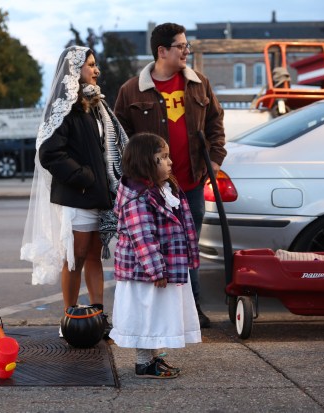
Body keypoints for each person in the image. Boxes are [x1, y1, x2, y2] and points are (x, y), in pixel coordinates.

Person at [113, 22, 226, 328]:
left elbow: (216, 123)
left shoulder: (199, 84)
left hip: (189, 184)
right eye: (181, 46)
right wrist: (135, 176)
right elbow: (118, 139)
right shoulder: (131, 90)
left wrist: (214, 160)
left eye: (187, 46)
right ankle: (159, 316)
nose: (186, 51)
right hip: (150, 191)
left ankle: (192, 309)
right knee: (156, 250)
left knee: (187, 249)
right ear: (162, 51)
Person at [20, 46, 128, 336]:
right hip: (78, 196)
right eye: (90, 65)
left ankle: (97, 319)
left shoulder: (96, 106)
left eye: (96, 64)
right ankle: (69, 320)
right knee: (75, 258)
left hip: (99, 197)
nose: (96, 70)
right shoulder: (64, 108)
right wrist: (84, 176)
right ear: (74, 70)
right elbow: (49, 153)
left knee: (94, 257)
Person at [110, 132, 201, 378]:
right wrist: (156, 270)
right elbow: (143, 237)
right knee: (146, 315)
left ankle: (152, 359)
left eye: (168, 156)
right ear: (145, 162)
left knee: (158, 314)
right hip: (144, 272)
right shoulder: (137, 196)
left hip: (160, 267)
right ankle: (143, 362)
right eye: (163, 157)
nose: (170, 162)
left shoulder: (163, 188)